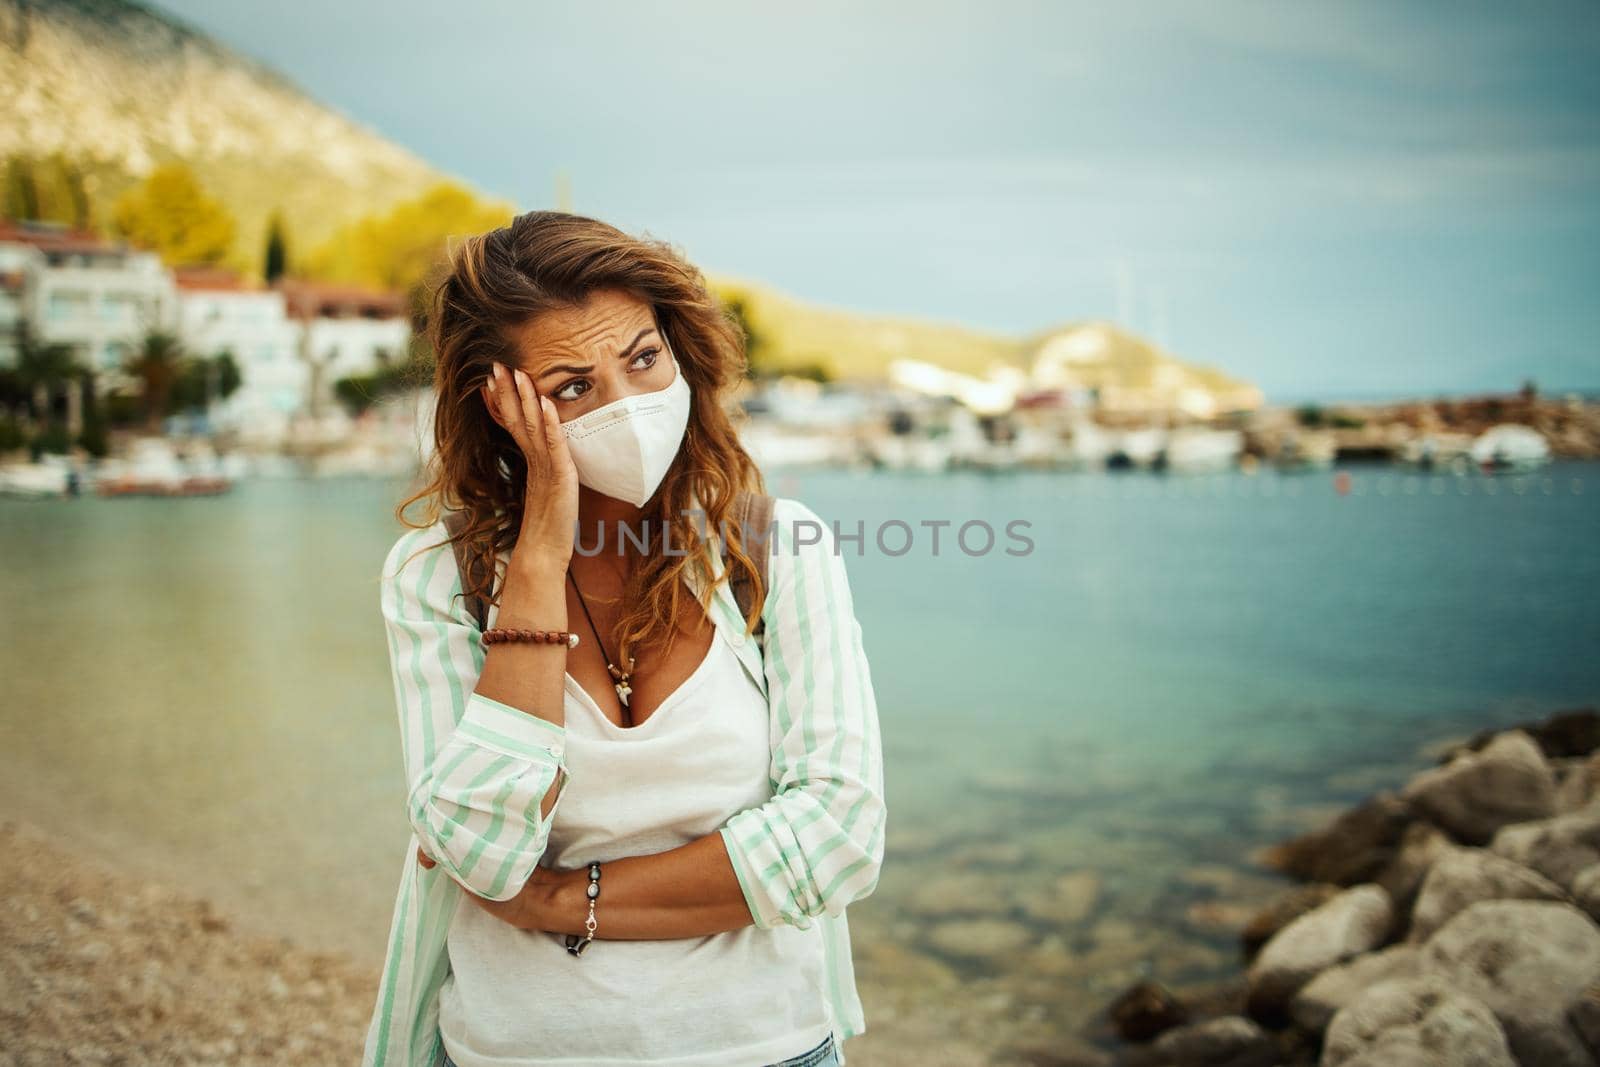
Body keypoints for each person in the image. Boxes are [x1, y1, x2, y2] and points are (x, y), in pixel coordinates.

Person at [363, 211, 888, 1067]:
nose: (627, 407)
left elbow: (837, 840)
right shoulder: (435, 575)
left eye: (643, 359)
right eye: (571, 388)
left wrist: (561, 901)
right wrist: (537, 557)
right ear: (500, 406)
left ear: (679, 349)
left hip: (769, 1049)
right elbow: (482, 853)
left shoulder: (779, 552)